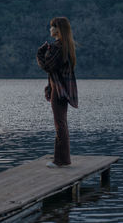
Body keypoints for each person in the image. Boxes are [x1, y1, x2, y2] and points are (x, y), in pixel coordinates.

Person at [36, 17, 78, 168]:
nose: (50, 29)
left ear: (58, 29)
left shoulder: (58, 47)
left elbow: (48, 66)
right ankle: (63, 159)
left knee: (59, 124)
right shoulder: (67, 46)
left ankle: (60, 160)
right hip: (62, 89)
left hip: (58, 90)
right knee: (62, 123)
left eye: (52, 27)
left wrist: (40, 54)